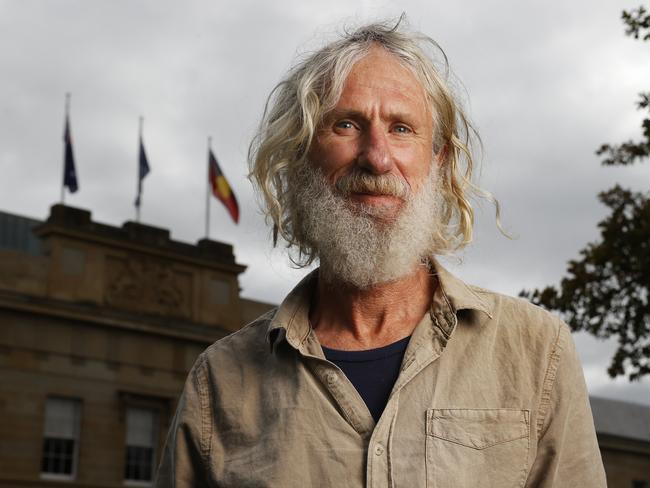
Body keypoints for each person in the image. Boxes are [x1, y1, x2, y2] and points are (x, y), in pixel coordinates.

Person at [155, 20, 606, 487]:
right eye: (346, 124)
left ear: (439, 161)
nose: (377, 156)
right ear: (301, 154)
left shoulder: (537, 350)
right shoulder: (220, 381)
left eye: (402, 128)